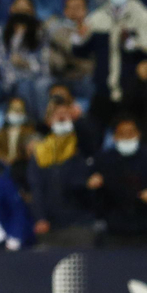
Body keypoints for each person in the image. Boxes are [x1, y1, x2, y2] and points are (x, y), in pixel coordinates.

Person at [71, 0, 147, 133]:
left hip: (133, 91)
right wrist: (79, 37)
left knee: (137, 134)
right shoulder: (97, 17)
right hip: (103, 90)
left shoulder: (143, 17)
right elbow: (80, 52)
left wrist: (132, 43)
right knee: (91, 133)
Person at [28, 99, 95, 248]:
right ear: (49, 121)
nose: (62, 118)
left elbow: (94, 140)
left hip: (81, 222)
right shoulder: (40, 151)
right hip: (51, 224)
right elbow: (36, 188)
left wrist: (80, 120)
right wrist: (40, 217)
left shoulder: (83, 145)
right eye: (57, 114)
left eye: (66, 114)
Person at [86, 116, 147, 247]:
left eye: (130, 133)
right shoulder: (103, 160)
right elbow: (90, 194)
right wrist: (92, 185)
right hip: (114, 229)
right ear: (114, 137)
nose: (127, 137)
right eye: (122, 134)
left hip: (146, 226)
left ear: (139, 134)